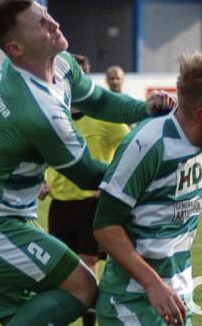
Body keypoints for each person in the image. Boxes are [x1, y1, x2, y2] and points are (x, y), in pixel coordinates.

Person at [0, 0, 176, 326]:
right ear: (15, 49)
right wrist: (157, 177)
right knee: (82, 287)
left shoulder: (58, 64)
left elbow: (99, 101)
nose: (53, 23)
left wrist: (144, 109)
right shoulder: (37, 110)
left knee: (39, 308)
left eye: (46, 14)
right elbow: (90, 174)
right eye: (40, 23)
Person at [93, 48, 202, 326]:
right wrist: (152, 284)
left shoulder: (198, 138)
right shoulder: (148, 145)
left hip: (176, 295)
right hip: (132, 304)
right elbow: (105, 226)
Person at [39, 57, 132, 326]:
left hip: (92, 205)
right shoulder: (54, 114)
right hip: (60, 204)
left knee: (88, 266)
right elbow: (45, 153)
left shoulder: (105, 119)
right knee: (60, 272)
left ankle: (91, 323)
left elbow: (132, 149)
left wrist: (111, 184)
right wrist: (44, 181)